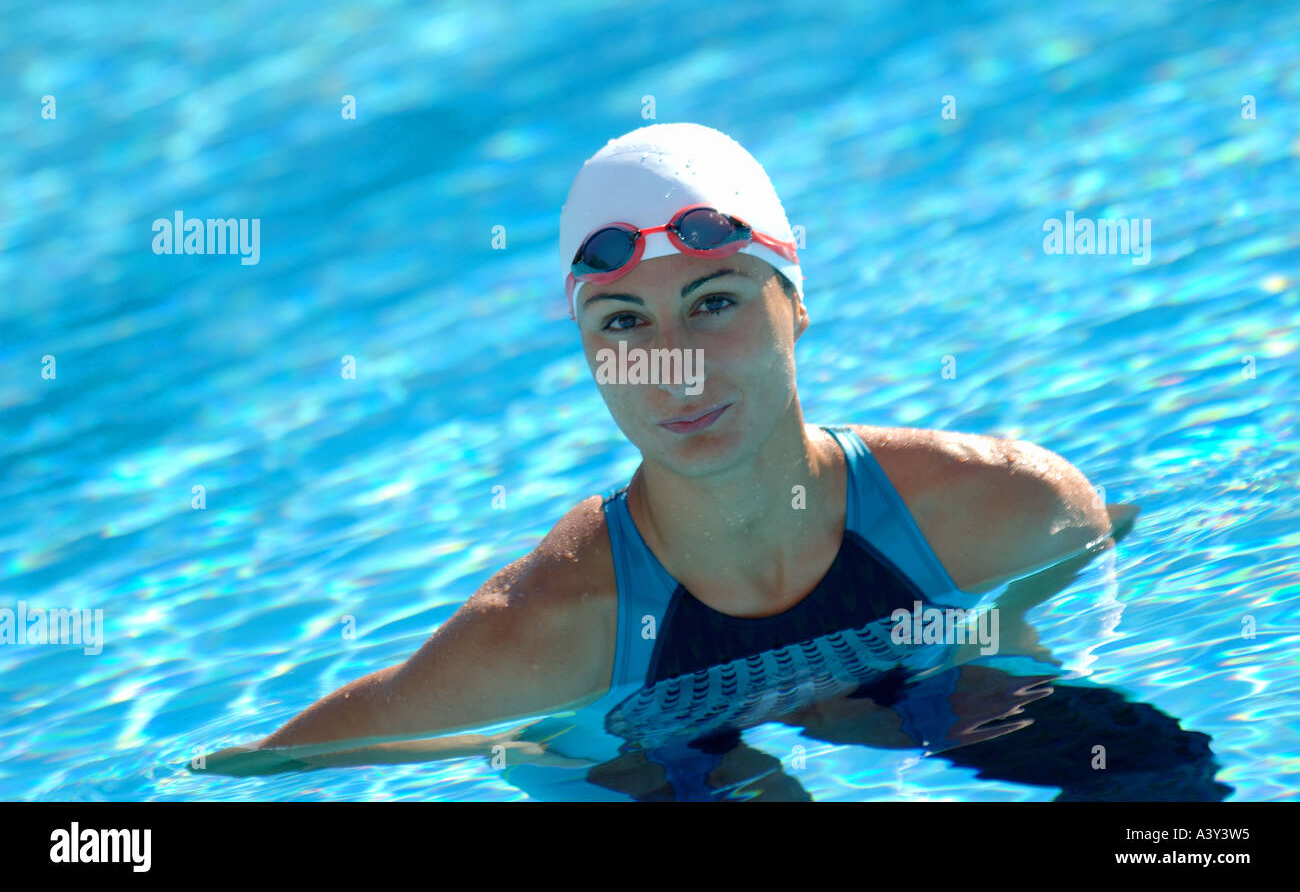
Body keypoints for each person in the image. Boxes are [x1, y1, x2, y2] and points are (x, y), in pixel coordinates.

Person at [204, 122, 1137, 785]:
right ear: (587, 355)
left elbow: (1095, 557)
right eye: (623, 322)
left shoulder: (1000, 510)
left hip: (918, 674)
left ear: (796, 304)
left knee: (1153, 785)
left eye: (714, 300)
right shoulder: (554, 628)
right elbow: (278, 764)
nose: (675, 366)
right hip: (646, 749)